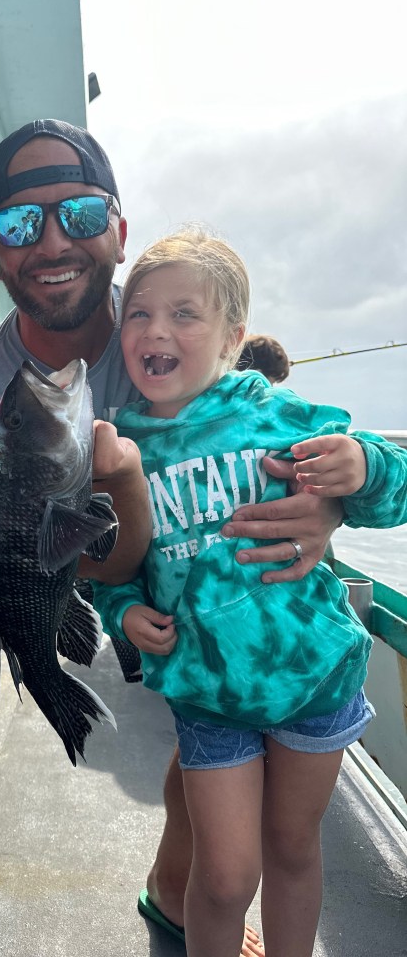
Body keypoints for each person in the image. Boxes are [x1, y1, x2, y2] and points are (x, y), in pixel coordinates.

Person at [0, 119, 347, 954]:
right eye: (18, 224)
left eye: (79, 215)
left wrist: (330, 502)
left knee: (208, 701)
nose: (51, 240)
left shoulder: (164, 325)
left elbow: (271, 439)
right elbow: (79, 559)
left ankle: (170, 889)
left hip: (186, 564)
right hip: (59, 548)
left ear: (118, 233)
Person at [92, 227, 407, 957]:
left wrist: (364, 462)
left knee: (294, 851)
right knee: (228, 876)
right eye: (139, 313)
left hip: (315, 678)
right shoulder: (115, 447)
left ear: (233, 336)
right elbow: (111, 561)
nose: (156, 329)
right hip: (208, 693)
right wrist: (123, 611)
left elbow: (391, 494)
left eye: (183, 313)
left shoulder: (283, 417)